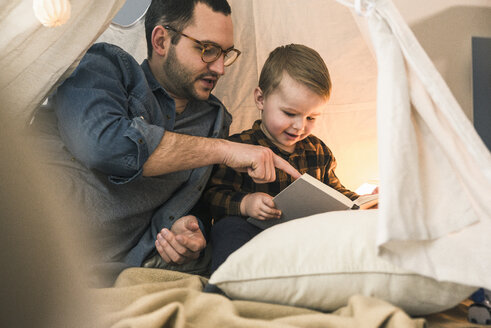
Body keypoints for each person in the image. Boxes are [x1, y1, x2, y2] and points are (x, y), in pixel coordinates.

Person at [30, 0, 300, 285]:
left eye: (226, 53)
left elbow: (194, 200)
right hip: (29, 246)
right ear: (161, 40)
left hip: (114, 273)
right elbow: (103, 146)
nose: (220, 68)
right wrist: (224, 150)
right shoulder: (104, 66)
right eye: (207, 50)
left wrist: (188, 230)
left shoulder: (213, 119)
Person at [198, 44, 361, 274]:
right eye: (290, 113)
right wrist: (247, 204)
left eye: (311, 117)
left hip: (303, 241)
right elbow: (212, 197)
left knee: (347, 234)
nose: (300, 126)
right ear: (261, 99)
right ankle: (227, 288)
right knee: (228, 229)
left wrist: (363, 202)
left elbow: (335, 192)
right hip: (255, 237)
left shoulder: (318, 151)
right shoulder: (239, 148)